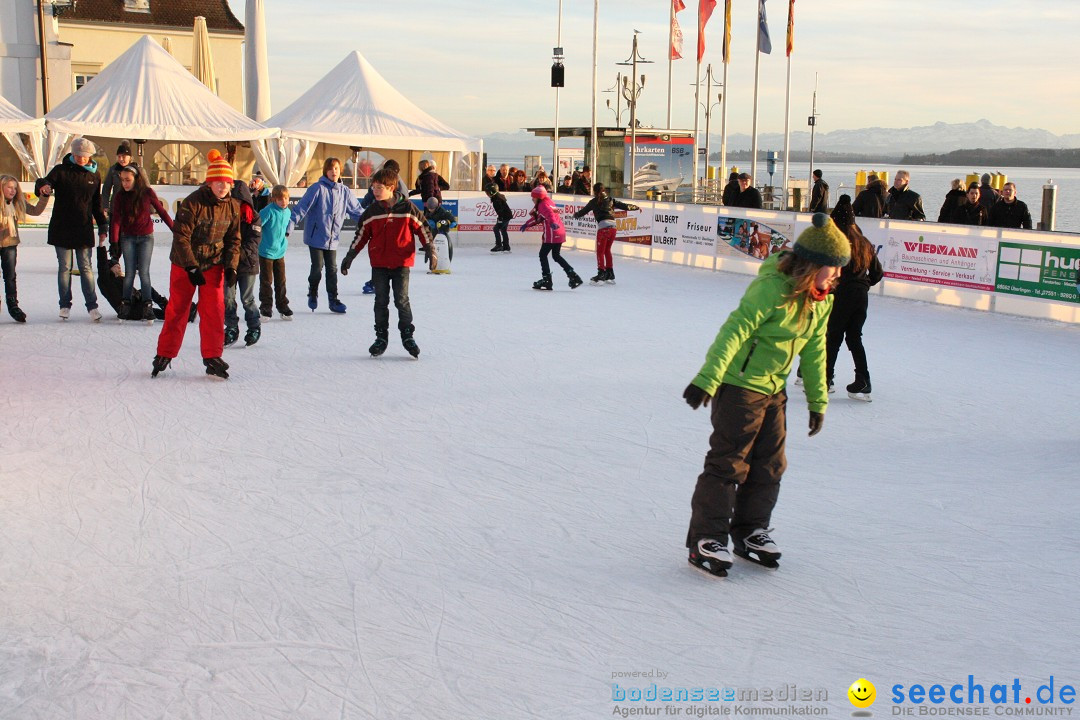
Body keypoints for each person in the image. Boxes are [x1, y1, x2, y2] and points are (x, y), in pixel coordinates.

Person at [682, 213, 850, 576]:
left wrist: (818, 400)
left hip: (774, 391)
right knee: (728, 463)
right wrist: (708, 378)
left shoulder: (821, 300)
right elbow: (735, 330)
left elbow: (815, 348)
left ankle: (750, 531)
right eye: (833, 269)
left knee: (770, 465)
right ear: (813, 265)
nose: (837, 276)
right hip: (740, 387)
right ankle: (706, 538)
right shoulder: (772, 289)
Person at [151, 149, 241, 380]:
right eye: (218, 182)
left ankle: (212, 356)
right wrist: (191, 267)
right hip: (184, 263)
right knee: (178, 309)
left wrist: (231, 266)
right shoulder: (193, 203)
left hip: (213, 262)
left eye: (227, 182)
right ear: (209, 182)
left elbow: (234, 239)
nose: (223, 187)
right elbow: (181, 236)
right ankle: (165, 353)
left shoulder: (233, 207)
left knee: (214, 311)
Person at [340, 167, 435, 358]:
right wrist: (350, 256)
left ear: (391, 188)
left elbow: (423, 228)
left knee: (401, 300)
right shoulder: (372, 212)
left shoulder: (407, 208)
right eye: (373, 187)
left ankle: (408, 335)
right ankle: (381, 337)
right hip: (379, 264)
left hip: (401, 263)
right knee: (380, 301)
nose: (374, 191)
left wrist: (431, 250)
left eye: (379, 187)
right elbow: (361, 236)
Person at [35, 137, 108, 322]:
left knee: (86, 268)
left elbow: (97, 203)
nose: (81, 159)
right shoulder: (61, 170)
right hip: (62, 226)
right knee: (65, 268)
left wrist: (102, 225)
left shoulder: (94, 175)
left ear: (90, 156)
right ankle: (64, 305)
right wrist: (43, 186)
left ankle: (92, 306)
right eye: (77, 155)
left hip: (83, 228)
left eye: (84, 156)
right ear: (73, 154)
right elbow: (45, 181)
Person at [288, 157, 363, 314]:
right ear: (325, 172)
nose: (333, 171)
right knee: (317, 268)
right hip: (316, 237)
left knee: (332, 269)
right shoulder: (317, 188)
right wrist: (290, 224)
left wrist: (370, 221)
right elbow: (301, 208)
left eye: (336, 168)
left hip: (333, 238)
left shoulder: (345, 191)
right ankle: (313, 292)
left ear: (340, 170)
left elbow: (357, 212)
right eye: (330, 169)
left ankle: (333, 300)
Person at [826, 196, 883, 401]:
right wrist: (863, 284)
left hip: (842, 296)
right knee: (853, 337)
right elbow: (877, 273)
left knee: (833, 337)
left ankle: (825, 379)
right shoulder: (864, 242)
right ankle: (863, 380)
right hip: (860, 297)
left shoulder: (835, 243)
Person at [109, 163, 174, 322]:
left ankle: (147, 306)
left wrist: (175, 229)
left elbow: (162, 211)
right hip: (128, 237)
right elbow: (116, 220)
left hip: (145, 237)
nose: (124, 183)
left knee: (144, 272)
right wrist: (114, 242)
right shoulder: (119, 196)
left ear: (136, 179)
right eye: (122, 180)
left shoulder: (147, 193)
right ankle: (125, 304)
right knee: (129, 272)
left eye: (128, 180)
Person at [1, 174, 49, 322]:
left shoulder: (17, 202)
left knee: (10, 276)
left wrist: (44, 196)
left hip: (9, 244)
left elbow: (36, 211)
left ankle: (13, 305)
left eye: (15, 188)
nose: (13, 190)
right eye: (9, 187)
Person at [572, 182, 639, 284]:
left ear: (594, 191)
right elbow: (625, 206)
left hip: (604, 229)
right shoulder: (611, 199)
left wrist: (575, 215)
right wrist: (636, 207)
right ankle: (610, 272)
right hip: (613, 229)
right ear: (604, 190)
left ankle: (601, 273)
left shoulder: (593, 202)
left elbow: (583, 211)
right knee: (607, 250)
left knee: (600, 251)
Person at [224, 178, 262, 346]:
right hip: (228, 265)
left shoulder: (253, 217)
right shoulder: (225, 215)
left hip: (248, 264)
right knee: (227, 298)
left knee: (247, 299)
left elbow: (253, 242)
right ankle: (231, 327)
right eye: (233, 200)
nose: (236, 204)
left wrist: (234, 254)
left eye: (239, 200)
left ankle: (254, 327)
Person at [521, 185, 582, 291]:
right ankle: (572, 275)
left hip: (552, 233)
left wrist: (553, 223)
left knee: (543, 254)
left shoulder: (543, 205)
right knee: (556, 256)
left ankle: (547, 279)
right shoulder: (548, 202)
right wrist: (527, 224)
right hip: (560, 232)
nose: (532, 199)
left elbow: (550, 215)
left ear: (538, 197)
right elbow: (540, 218)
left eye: (533, 197)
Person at [258, 185, 293, 320]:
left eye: (285, 198)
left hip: (280, 252)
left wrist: (286, 236)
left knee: (281, 280)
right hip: (266, 252)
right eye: (279, 199)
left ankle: (282, 305)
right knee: (267, 281)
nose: (283, 201)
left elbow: (286, 226)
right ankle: (266, 308)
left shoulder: (287, 212)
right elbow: (257, 225)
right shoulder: (268, 211)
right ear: (273, 199)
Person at [102, 141, 134, 235]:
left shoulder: (136, 170)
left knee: (129, 235)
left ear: (130, 157)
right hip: (116, 208)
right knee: (115, 235)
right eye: (119, 156)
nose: (121, 159)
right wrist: (105, 206)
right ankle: (115, 248)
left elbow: (145, 188)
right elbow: (106, 188)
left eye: (124, 157)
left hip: (132, 208)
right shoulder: (113, 170)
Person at [424, 196, 456, 273]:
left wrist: (453, 223)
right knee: (431, 247)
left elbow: (451, 218)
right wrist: (428, 221)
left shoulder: (442, 211)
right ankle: (432, 263)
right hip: (433, 232)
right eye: (429, 208)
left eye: (432, 208)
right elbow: (424, 219)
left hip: (443, 233)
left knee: (446, 248)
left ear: (436, 206)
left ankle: (446, 262)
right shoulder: (428, 212)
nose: (430, 210)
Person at [485, 180, 513, 253]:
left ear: (492, 192)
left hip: (505, 216)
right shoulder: (497, 197)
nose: (486, 194)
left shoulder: (497, 199)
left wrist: (500, 219)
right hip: (507, 216)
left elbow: (501, 210)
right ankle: (506, 246)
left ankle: (499, 245)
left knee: (496, 229)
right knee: (503, 230)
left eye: (487, 192)